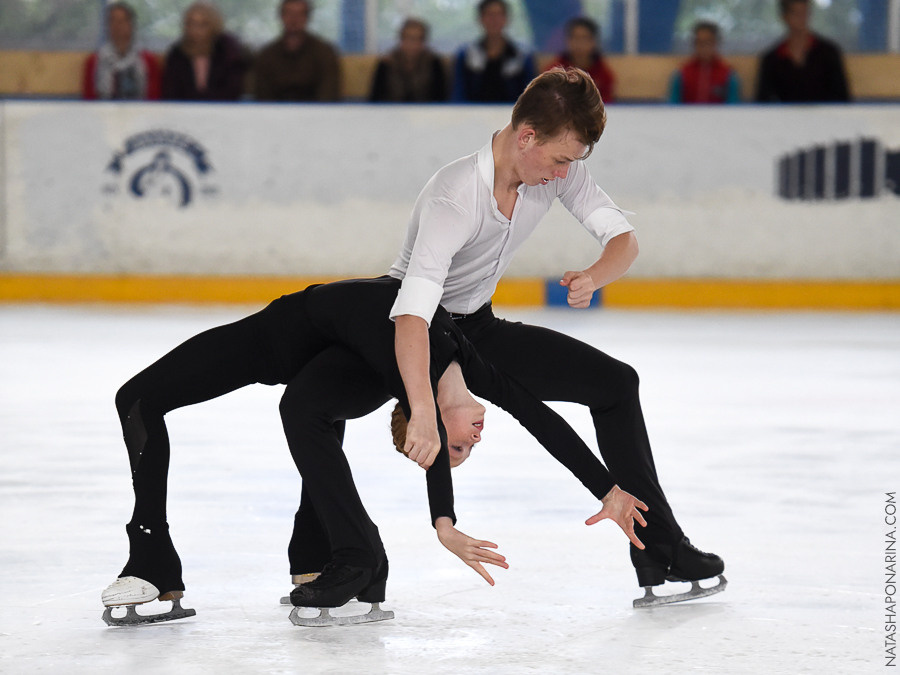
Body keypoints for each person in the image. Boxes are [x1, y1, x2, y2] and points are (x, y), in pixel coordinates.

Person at [101, 276, 646, 625]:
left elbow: (433, 440)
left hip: (308, 347)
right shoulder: (474, 366)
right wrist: (608, 489)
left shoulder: (412, 377)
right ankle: (317, 554)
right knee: (149, 401)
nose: (477, 439)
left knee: (289, 408)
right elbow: (542, 419)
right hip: (292, 334)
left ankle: (155, 559)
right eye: (462, 446)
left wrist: (444, 521)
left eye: (460, 447)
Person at [387, 67, 725, 607]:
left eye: (572, 161)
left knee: (615, 383)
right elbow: (411, 313)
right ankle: (323, 561)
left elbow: (624, 240)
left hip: (478, 329)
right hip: (420, 333)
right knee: (331, 401)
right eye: (561, 159)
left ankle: (659, 548)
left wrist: (595, 275)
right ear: (527, 137)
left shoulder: (556, 170)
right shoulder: (455, 196)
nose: (566, 172)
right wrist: (424, 406)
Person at [755, 0, 851, 103]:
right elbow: (763, 102)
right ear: (784, 17)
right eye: (796, 13)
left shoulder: (828, 53)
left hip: (824, 112)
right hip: (785, 113)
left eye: (805, 13)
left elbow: (842, 98)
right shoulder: (772, 59)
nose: (801, 19)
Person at [253, 0, 341, 102]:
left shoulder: (324, 53)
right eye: (289, 14)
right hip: (276, 110)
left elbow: (328, 95)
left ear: (307, 18)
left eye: (299, 14)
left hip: (315, 110)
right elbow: (263, 98)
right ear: (281, 17)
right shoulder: (267, 56)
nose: (294, 20)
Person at [160, 1, 247, 102]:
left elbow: (232, 91)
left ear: (215, 25)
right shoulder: (177, 54)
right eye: (191, 23)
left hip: (223, 108)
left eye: (203, 24)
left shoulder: (229, 51)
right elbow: (171, 93)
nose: (195, 30)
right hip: (184, 109)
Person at [451, 0, 536, 103]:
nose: (494, 20)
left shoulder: (521, 55)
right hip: (473, 111)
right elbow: (459, 94)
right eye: (489, 15)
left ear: (506, 19)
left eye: (499, 15)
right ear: (480, 19)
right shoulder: (466, 55)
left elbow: (530, 96)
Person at [82, 2, 161, 101]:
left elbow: (154, 100)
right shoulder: (94, 62)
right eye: (112, 21)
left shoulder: (148, 61)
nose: (116, 26)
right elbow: (89, 102)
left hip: (140, 109)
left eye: (121, 21)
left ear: (131, 25)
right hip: (104, 109)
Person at [368, 18, 447, 103]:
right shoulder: (386, 64)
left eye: (418, 39)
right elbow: (375, 100)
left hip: (425, 110)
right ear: (401, 39)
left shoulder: (434, 63)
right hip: (392, 109)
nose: (413, 44)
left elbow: (441, 99)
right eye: (409, 38)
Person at [546, 17, 615, 104]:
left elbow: (606, 105)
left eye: (584, 38)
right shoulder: (553, 72)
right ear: (567, 41)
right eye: (575, 38)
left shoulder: (603, 75)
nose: (579, 44)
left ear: (594, 42)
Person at [669, 21, 740, 104]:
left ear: (716, 43)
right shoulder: (682, 74)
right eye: (700, 42)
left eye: (708, 42)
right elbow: (673, 104)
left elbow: (733, 105)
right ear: (694, 44)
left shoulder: (728, 75)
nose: (704, 47)